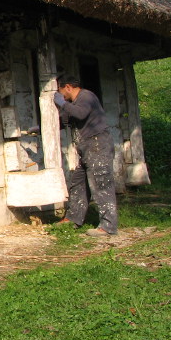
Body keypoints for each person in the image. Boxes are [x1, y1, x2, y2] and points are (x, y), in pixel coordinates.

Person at [54, 75, 118, 237]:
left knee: (101, 186)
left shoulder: (86, 96)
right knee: (78, 183)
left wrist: (62, 104)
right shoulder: (74, 103)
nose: (60, 95)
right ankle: (73, 218)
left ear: (67, 87)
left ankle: (108, 226)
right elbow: (67, 120)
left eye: (60, 91)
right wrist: (40, 128)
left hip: (98, 146)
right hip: (87, 149)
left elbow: (80, 114)